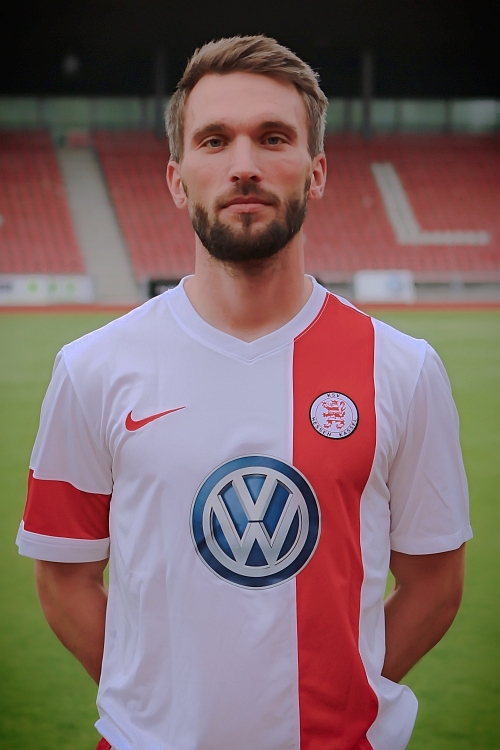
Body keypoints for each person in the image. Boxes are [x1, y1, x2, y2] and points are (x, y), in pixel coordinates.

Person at [17, 35, 472, 750]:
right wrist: (156, 708)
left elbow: (436, 583)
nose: (244, 165)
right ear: (177, 180)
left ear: (317, 173)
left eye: (273, 138)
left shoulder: (403, 369)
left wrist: (340, 696)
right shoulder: (91, 369)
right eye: (214, 140)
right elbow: (62, 578)